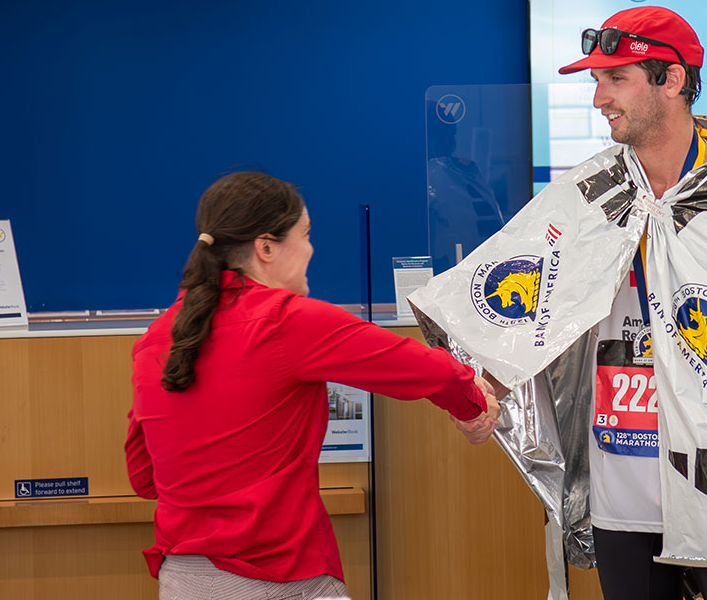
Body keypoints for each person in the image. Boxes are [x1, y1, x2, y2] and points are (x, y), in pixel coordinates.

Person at [454, 6, 707, 600]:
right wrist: (485, 388)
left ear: (672, 80)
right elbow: (536, 305)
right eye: (596, 81)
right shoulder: (592, 195)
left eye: (616, 78)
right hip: (623, 483)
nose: (599, 97)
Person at [125, 171, 499, 600]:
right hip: (277, 576)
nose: (311, 248)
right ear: (265, 248)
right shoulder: (286, 321)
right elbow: (429, 370)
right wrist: (473, 406)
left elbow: (144, 477)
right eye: (304, 234)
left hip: (181, 580)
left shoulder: (155, 339)